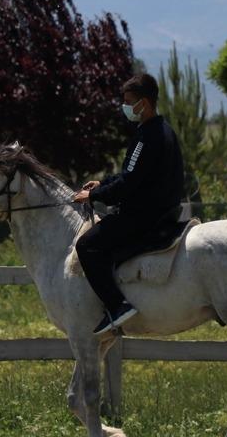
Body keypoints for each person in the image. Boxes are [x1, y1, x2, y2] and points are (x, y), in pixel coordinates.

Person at [72, 73, 185, 335]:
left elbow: (128, 183)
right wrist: (102, 184)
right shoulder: (162, 130)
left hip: (143, 216)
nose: (124, 107)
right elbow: (130, 174)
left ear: (143, 103)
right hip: (160, 211)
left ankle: (117, 306)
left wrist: (94, 197)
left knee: (86, 245)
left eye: (128, 101)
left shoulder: (147, 137)